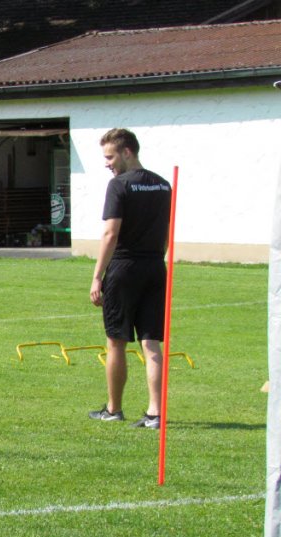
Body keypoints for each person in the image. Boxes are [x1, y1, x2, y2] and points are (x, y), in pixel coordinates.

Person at [88, 128, 172, 429]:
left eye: (110, 157)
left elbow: (110, 233)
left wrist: (97, 276)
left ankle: (113, 408)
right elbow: (164, 234)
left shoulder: (119, 186)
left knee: (116, 343)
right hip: (154, 268)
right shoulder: (163, 185)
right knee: (151, 344)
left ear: (127, 152)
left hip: (124, 269)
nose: (107, 164)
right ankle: (155, 413)